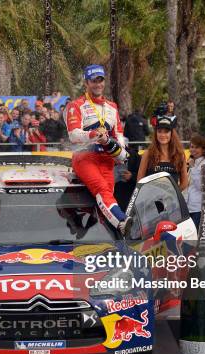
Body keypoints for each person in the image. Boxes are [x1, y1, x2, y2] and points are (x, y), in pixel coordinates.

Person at [63, 64, 130, 234]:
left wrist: (120, 151)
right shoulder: (76, 105)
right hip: (85, 157)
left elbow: (118, 133)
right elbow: (73, 134)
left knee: (106, 195)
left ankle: (97, 234)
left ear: (104, 81)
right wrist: (93, 134)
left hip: (107, 159)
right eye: (93, 81)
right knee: (101, 189)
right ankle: (122, 221)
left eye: (100, 80)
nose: (97, 84)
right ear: (86, 83)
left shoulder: (112, 106)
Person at [137, 116, 188, 190]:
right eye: (159, 131)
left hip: (172, 200)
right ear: (156, 133)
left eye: (166, 132)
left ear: (172, 134)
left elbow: (185, 182)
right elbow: (140, 180)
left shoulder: (180, 155)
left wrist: (173, 195)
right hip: (151, 199)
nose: (163, 135)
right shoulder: (148, 154)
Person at [185, 134, 205, 228]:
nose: (193, 150)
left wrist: (192, 167)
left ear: (203, 149)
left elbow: (201, 186)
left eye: (197, 147)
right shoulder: (192, 162)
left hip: (198, 208)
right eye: (192, 147)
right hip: (188, 207)